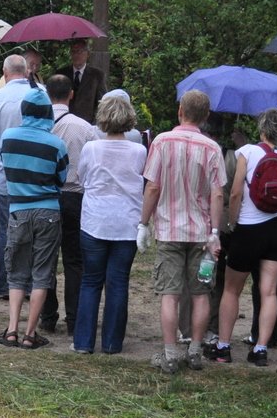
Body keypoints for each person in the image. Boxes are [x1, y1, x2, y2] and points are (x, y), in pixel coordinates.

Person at [138, 90, 226, 374]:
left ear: (180, 111)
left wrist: (143, 222)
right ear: (206, 116)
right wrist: (215, 231)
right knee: (201, 293)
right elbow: (217, 194)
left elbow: (153, 186)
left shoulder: (162, 142)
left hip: (169, 229)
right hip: (201, 234)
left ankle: (170, 354)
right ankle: (196, 350)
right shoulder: (212, 148)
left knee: (169, 294)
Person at [210, 109, 277, 366]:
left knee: (231, 289)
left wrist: (232, 221)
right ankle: (261, 349)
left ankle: (223, 346)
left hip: (249, 229)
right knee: (269, 291)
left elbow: (236, 192)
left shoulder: (247, 152)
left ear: (262, 129)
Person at [0, 86, 68, 350]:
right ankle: (30, 333)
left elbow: (5, 165)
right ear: (48, 113)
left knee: (17, 272)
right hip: (48, 212)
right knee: (41, 273)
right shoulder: (56, 144)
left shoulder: (8, 138)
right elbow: (61, 179)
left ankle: (12, 329)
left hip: (18, 210)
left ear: (24, 111)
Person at [72, 92, 146, 355]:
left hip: (95, 220)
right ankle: (113, 342)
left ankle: (83, 341)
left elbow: (81, 177)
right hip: (126, 222)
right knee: (118, 282)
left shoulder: (92, 148)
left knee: (91, 281)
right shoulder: (139, 151)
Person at [40, 73, 98, 335]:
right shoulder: (85, 127)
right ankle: (74, 318)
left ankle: (47, 315)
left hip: (46, 196)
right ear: (71, 94)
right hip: (75, 197)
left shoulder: (38, 124)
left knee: (46, 257)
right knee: (75, 260)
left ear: (47, 93)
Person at [0, 55, 35, 300]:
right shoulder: (40, 94)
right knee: (33, 230)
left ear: (4, 72)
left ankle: (4, 283)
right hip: (35, 174)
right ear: (26, 71)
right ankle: (31, 285)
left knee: (6, 229)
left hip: (7, 174)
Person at [55, 37, 106, 122]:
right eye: (73, 52)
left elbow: (102, 102)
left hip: (88, 123)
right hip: (64, 121)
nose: (76, 55)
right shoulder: (61, 74)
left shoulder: (97, 75)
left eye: (79, 52)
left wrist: (95, 122)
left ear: (88, 54)